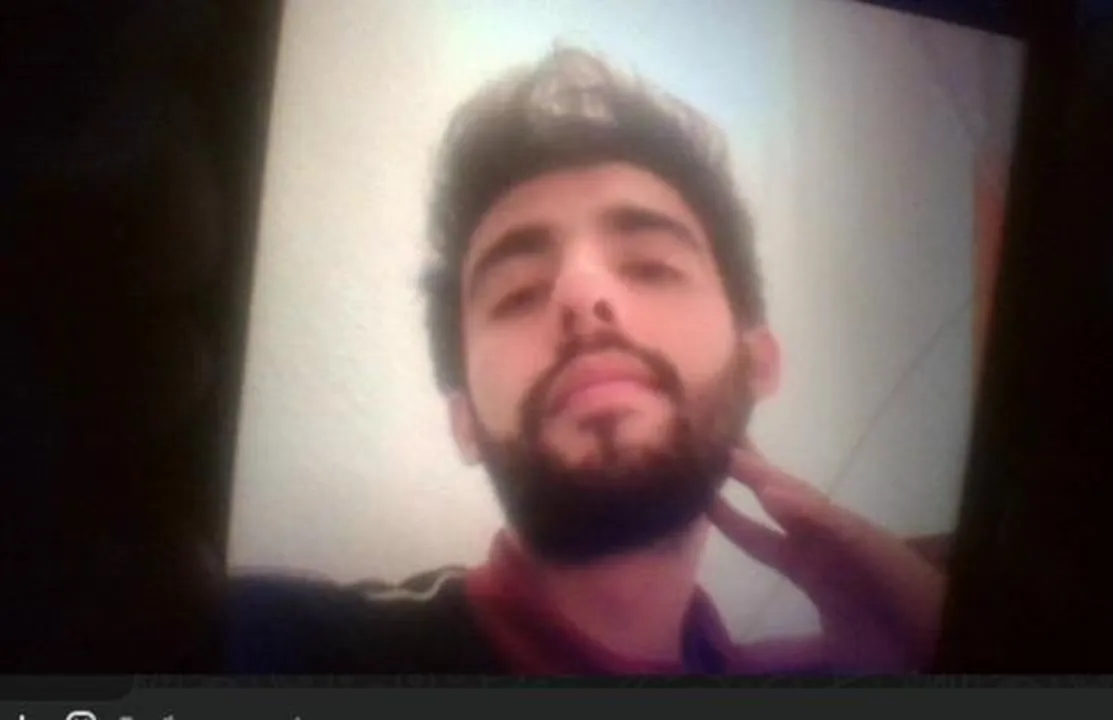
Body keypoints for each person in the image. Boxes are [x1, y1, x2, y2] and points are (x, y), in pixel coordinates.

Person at [227, 46, 948, 675]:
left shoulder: (868, 664)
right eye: (518, 293)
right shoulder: (284, 646)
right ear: (465, 421)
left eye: (650, 265)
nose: (581, 292)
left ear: (756, 362)